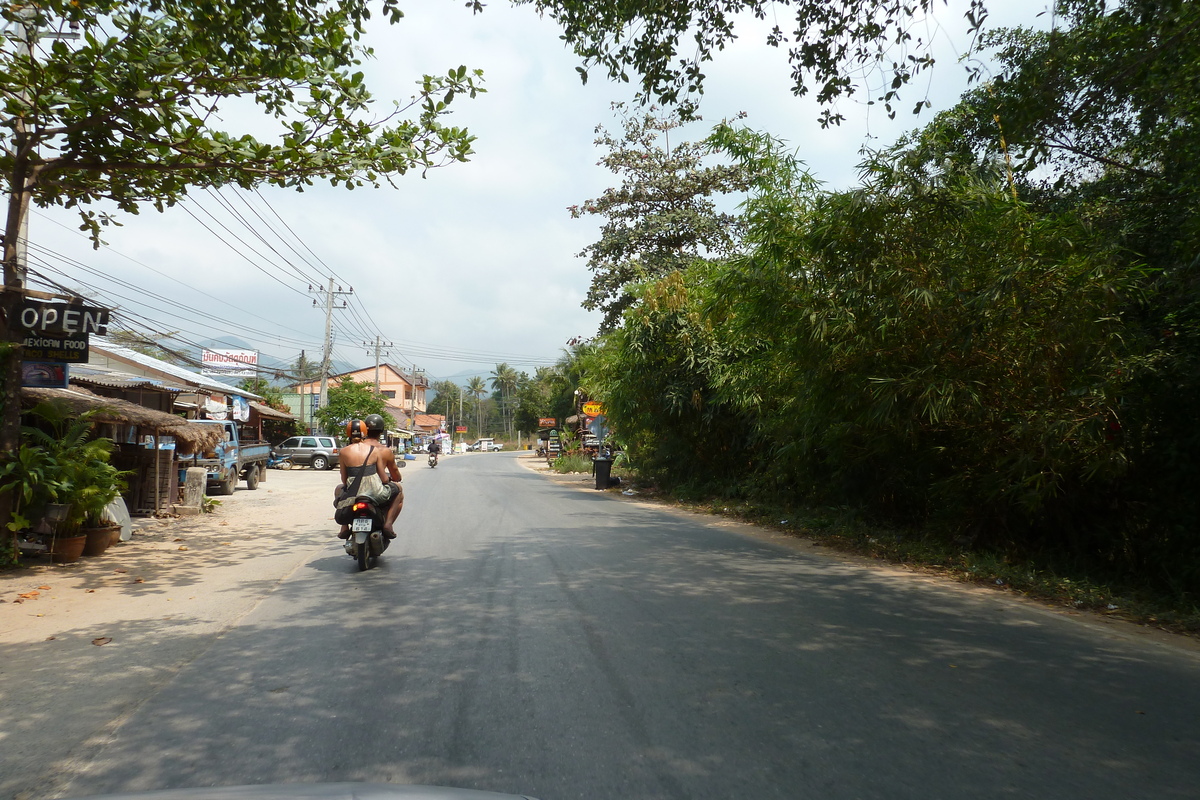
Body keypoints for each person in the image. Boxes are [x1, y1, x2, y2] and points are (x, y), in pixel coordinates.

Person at [333, 414, 404, 539]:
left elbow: (344, 480)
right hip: (374, 492)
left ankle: (344, 527)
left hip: (353, 493)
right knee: (398, 490)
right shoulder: (375, 450)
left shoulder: (344, 451)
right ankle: (388, 524)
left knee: (339, 489)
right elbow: (384, 478)